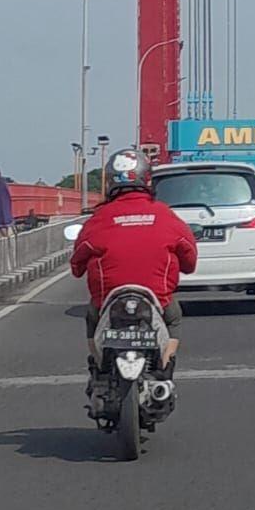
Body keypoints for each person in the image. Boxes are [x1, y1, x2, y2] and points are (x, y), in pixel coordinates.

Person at [70, 147, 197, 376]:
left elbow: (77, 263)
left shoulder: (99, 218)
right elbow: (189, 259)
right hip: (158, 297)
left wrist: (79, 266)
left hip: (107, 299)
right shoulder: (164, 214)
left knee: (92, 317)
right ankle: (164, 368)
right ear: (147, 179)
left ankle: (99, 368)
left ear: (109, 182)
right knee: (174, 318)